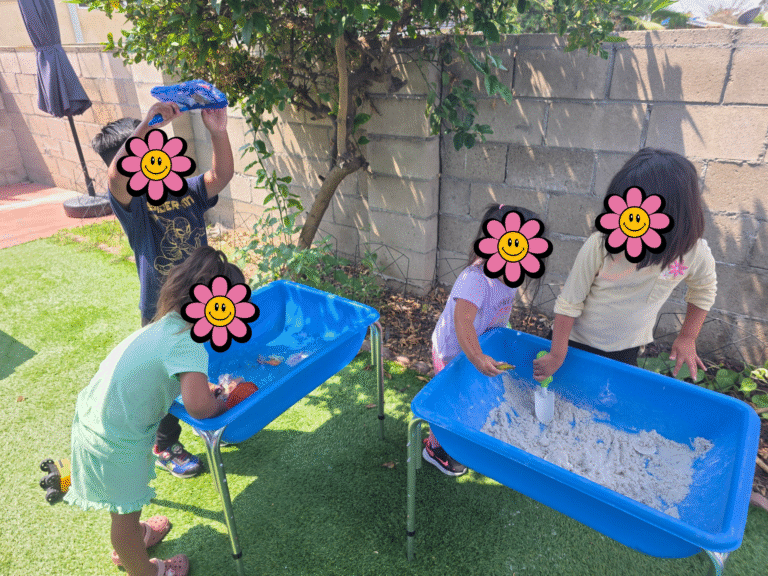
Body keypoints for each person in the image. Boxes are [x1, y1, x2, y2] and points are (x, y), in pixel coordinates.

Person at [64, 247, 244, 576]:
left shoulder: (166, 326)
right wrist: (225, 402)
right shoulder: (188, 342)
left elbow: (169, 379)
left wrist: (203, 388)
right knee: (123, 518)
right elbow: (200, 407)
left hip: (98, 420)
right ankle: (144, 567)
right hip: (115, 442)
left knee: (124, 502)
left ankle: (137, 535)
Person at [92, 101, 234, 479]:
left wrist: (218, 131)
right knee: (164, 384)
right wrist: (147, 125)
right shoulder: (132, 206)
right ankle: (165, 442)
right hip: (161, 312)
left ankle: (211, 411)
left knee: (199, 367)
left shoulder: (184, 190)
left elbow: (219, 176)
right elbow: (116, 179)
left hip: (204, 303)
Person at [533, 148, 717, 384]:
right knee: (554, 388)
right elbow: (569, 302)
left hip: (625, 349)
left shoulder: (693, 252)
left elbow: (703, 290)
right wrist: (558, 354)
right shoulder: (601, 244)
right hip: (571, 341)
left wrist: (688, 338)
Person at [424, 204, 545, 476]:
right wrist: (477, 356)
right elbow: (463, 321)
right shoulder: (476, 280)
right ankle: (435, 448)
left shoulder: (509, 277)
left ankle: (455, 439)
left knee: (465, 394)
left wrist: (496, 340)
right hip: (453, 351)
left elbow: (496, 313)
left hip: (476, 347)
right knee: (447, 399)